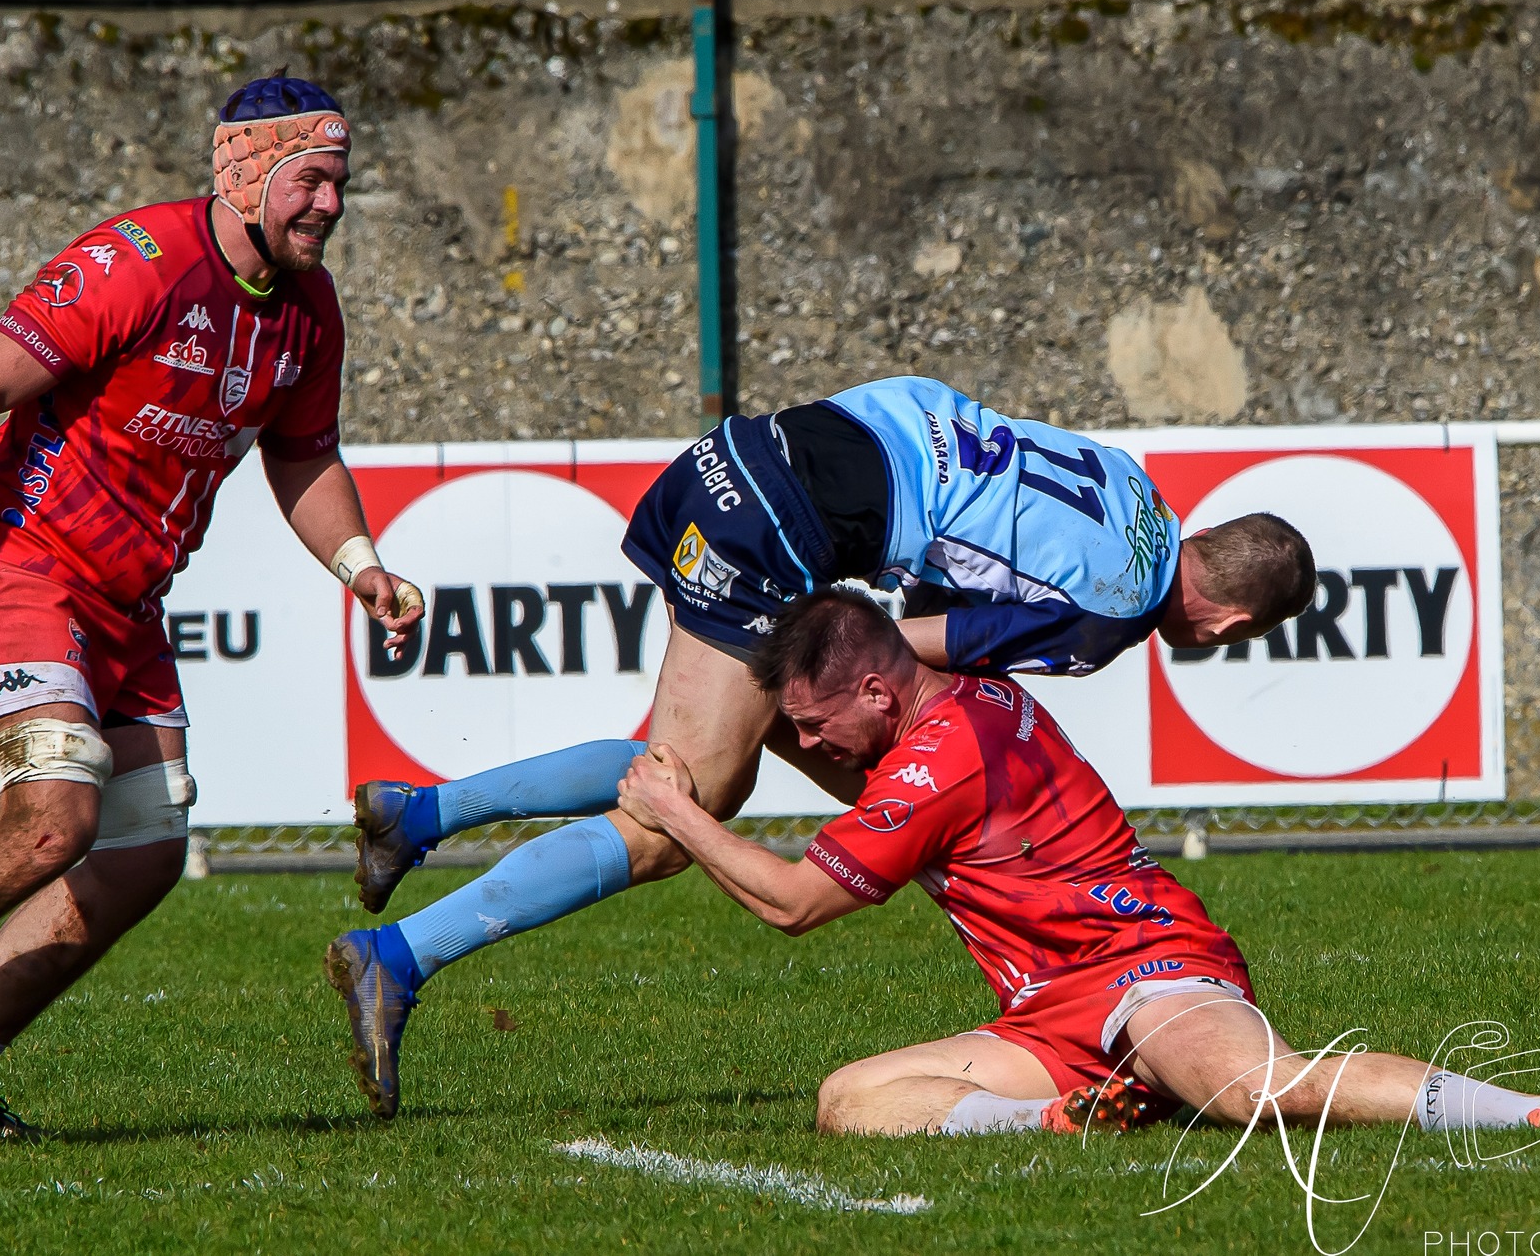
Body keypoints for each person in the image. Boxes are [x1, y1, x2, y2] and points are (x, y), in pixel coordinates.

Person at [327, 376, 1317, 1119]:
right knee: (679, 813)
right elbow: (909, 652)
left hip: (756, 455)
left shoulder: (1132, 489)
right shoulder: (1115, 613)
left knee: (706, 758)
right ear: (1229, 622)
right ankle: (397, 956)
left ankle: (415, 817)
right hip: (779, 525)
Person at [0, 75, 423, 1142]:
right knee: (54, 823)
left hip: (128, 605)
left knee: (144, 854)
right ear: (244, 174)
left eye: (341, 183)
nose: (330, 204)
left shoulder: (308, 313)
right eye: (311, 180)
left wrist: (358, 562)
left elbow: (305, 455)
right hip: (19, 566)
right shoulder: (136, 264)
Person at [612, 588, 1540, 1139]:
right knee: (850, 1101)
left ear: (878, 695)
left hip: (1144, 967)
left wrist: (673, 809)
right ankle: (1062, 1117)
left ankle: (1536, 1110)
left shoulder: (935, 760)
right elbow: (880, 794)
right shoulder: (945, 707)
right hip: (1053, 1015)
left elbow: (793, 904)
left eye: (813, 725)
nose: (809, 742)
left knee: (1251, 1089)